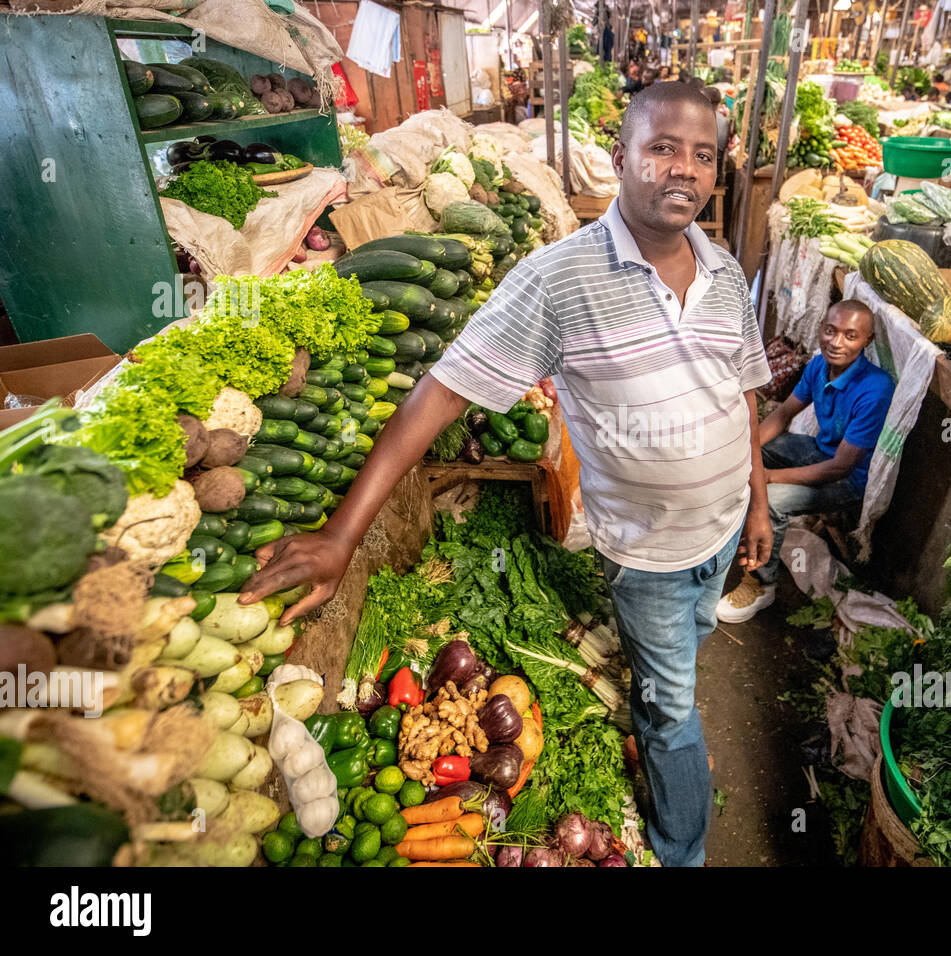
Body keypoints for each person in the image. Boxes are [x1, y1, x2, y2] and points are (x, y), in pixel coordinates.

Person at [240, 81, 772, 869]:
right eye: (661, 147)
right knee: (671, 714)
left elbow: (745, 392)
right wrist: (341, 536)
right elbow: (440, 392)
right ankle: (682, 851)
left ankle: (671, 697)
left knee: (685, 653)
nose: (681, 170)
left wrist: (758, 503)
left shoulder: (725, 271)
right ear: (622, 156)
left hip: (723, 528)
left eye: (700, 155)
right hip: (648, 553)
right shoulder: (556, 280)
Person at [716, 300, 893, 623]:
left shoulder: (875, 389)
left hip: (848, 478)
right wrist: (744, 449)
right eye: (830, 331)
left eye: (850, 336)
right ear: (821, 329)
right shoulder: (818, 366)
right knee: (744, 455)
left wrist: (768, 478)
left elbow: (841, 466)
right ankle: (726, 535)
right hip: (818, 451)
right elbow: (783, 414)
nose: (836, 342)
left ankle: (761, 584)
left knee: (770, 501)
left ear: (867, 341)